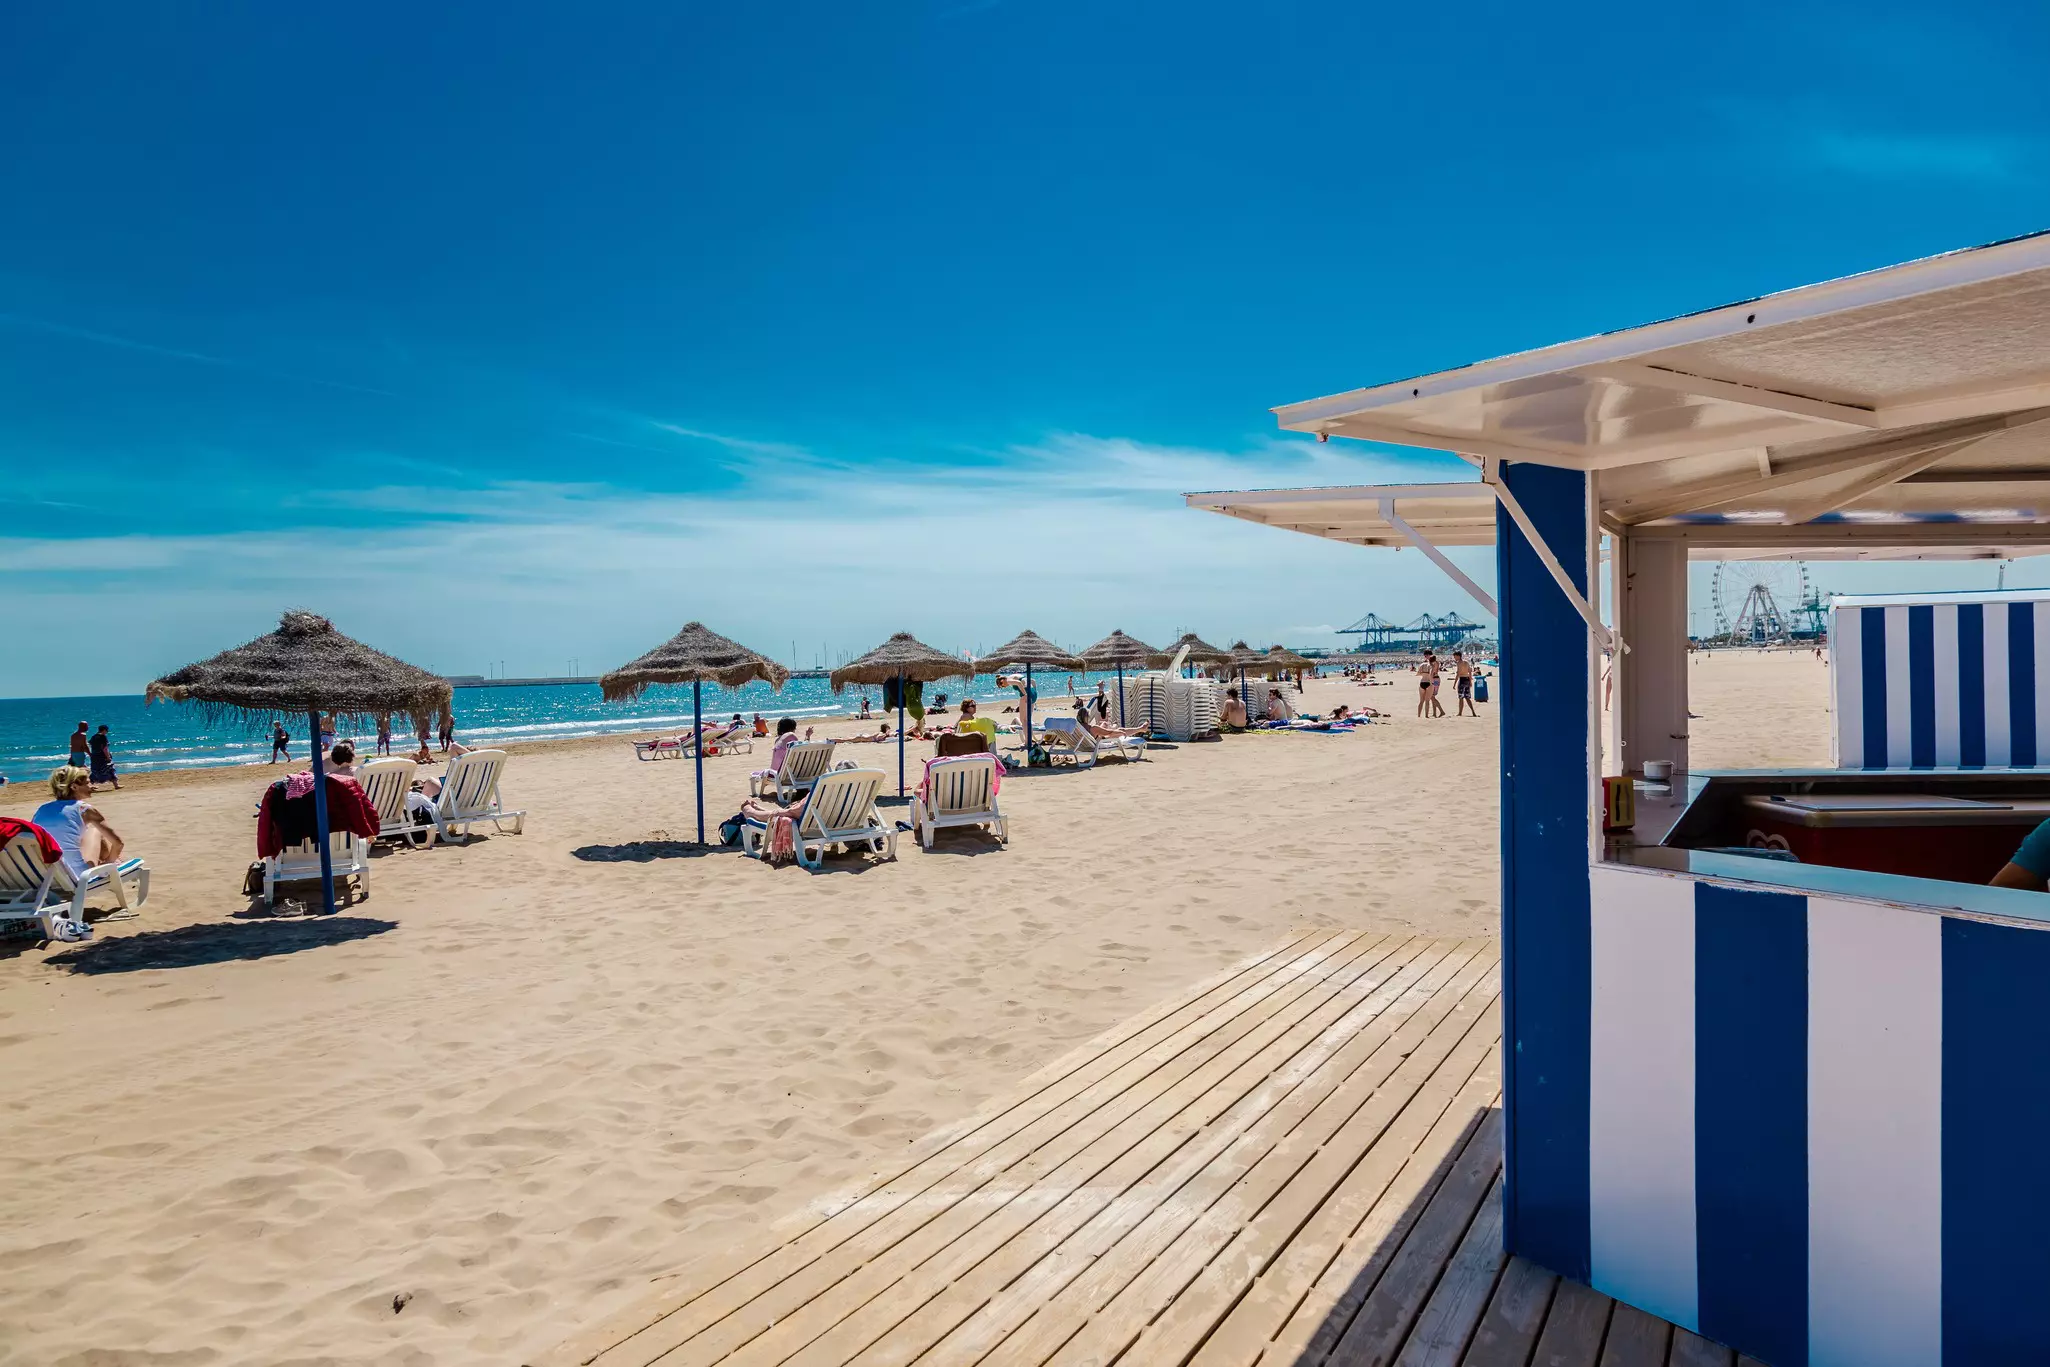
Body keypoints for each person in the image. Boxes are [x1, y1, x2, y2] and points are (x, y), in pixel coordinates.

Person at [33, 767, 126, 882]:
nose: (91, 786)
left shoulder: (42, 809)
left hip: (46, 877)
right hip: (78, 876)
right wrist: (109, 863)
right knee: (94, 831)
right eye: (87, 783)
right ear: (74, 787)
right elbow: (118, 843)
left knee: (78, 833)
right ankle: (111, 862)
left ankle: (109, 861)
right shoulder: (83, 808)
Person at [88, 725, 120, 790]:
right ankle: (116, 785)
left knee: (95, 770)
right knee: (110, 769)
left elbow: (91, 746)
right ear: (104, 730)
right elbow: (105, 748)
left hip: (94, 756)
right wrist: (108, 757)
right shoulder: (103, 737)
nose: (107, 732)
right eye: (107, 730)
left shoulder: (93, 737)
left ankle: (91, 785)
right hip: (102, 757)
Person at [1453, 651, 1477, 718]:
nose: (1454, 658)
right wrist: (1470, 681)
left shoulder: (1459, 663)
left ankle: (1460, 713)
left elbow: (1458, 674)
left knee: (1461, 697)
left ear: (1458, 656)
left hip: (1462, 680)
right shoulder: (1466, 662)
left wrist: (1454, 683)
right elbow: (1470, 671)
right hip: (1467, 680)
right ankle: (1473, 712)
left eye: (1455, 656)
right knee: (1467, 697)